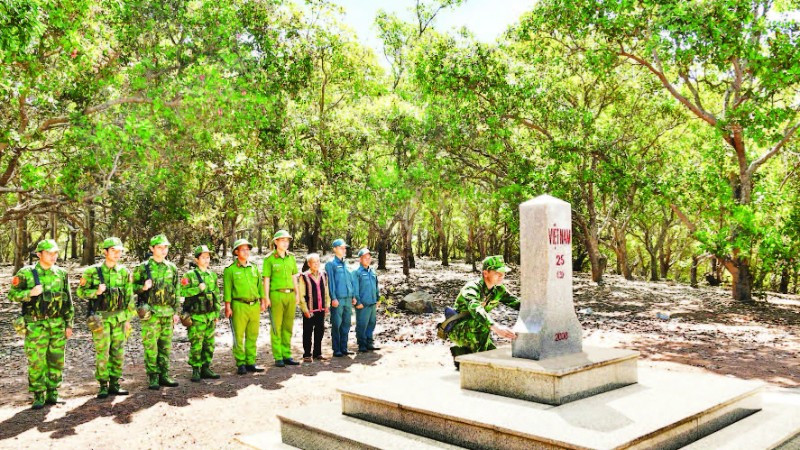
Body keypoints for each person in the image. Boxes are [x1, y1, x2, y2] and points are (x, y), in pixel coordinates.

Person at [8, 239, 74, 409]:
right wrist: (29, 293)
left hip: (57, 323)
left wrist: (69, 324)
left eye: (56, 253)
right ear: (39, 254)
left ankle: (53, 392)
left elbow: (68, 300)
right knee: (36, 361)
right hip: (36, 324)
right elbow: (11, 295)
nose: (53, 256)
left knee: (57, 360)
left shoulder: (61, 273)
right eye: (49, 253)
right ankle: (38, 394)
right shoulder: (26, 273)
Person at [76, 237, 135, 398]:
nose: (117, 254)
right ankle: (103, 384)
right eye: (114, 251)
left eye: (119, 251)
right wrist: (95, 292)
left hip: (120, 318)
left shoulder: (124, 272)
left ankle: (115, 383)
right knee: (103, 352)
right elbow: (80, 292)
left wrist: (129, 319)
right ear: (105, 252)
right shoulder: (92, 272)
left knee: (118, 351)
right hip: (100, 318)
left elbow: (129, 297)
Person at [448, 255, 520, 369]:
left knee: (494, 355)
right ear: (486, 273)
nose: (502, 276)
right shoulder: (472, 288)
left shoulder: (498, 290)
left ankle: (461, 353)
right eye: (497, 273)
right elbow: (475, 308)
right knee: (488, 359)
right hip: (458, 328)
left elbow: (518, 304)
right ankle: (477, 363)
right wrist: (495, 327)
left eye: (503, 273)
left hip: (477, 328)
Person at [133, 234, 181, 389]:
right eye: (160, 247)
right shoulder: (143, 267)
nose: (163, 250)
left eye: (165, 247)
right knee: (151, 346)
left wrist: (176, 312)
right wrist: (143, 287)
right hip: (151, 313)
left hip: (167, 313)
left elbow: (177, 290)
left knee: (165, 346)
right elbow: (131, 288)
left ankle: (164, 375)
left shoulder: (172, 268)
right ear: (151, 249)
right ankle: (153, 376)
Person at [223, 238, 267, 375]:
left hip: (254, 305)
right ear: (236, 252)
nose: (246, 252)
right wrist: (228, 306)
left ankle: (250, 361)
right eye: (243, 249)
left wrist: (263, 300)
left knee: (253, 334)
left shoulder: (254, 267)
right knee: (239, 335)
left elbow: (259, 286)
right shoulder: (230, 270)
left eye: (248, 249)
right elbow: (227, 290)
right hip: (239, 305)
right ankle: (240, 362)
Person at [180, 245, 221, 382]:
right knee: (197, 344)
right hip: (196, 315)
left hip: (209, 315)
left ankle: (206, 367)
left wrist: (216, 313)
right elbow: (182, 292)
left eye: (208, 257)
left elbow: (216, 295)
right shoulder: (189, 275)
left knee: (209, 344)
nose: (206, 260)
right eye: (203, 257)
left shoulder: (212, 275)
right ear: (197, 259)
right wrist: (197, 289)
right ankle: (196, 369)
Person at [262, 230, 300, 367]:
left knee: (288, 326)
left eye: (287, 240)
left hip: (290, 294)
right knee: (276, 326)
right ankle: (278, 356)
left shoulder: (292, 258)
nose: (285, 243)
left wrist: (297, 293)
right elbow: (266, 279)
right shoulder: (269, 259)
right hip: (276, 294)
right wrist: (266, 297)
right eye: (282, 240)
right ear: (276, 242)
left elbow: (294, 276)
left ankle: (287, 354)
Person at [294, 253, 330, 362]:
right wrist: (305, 309)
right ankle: (307, 354)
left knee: (320, 331)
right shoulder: (304, 276)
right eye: (314, 262)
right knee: (308, 332)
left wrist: (327, 305)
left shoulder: (323, 274)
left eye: (318, 261)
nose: (316, 264)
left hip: (321, 308)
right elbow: (301, 295)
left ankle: (317, 353)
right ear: (309, 264)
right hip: (309, 309)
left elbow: (326, 291)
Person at [325, 239, 355, 357]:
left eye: (345, 248)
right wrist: (333, 298)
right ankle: (336, 349)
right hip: (338, 299)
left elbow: (351, 281)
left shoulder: (346, 264)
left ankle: (344, 347)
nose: (344, 250)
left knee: (346, 324)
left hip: (348, 298)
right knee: (337, 324)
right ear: (335, 249)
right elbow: (331, 283)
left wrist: (353, 296)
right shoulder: (331, 264)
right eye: (341, 248)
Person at [352, 248, 380, 353]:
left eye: (369, 258)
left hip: (372, 302)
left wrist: (378, 298)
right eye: (365, 258)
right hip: (363, 304)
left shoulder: (372, 271)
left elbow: (376, 286)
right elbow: (355, 288)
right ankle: (362, 344)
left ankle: (369, 343)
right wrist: (358, 302)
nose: (367, 260)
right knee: (362, 324)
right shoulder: (356, 272)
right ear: (360, 259)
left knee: (371, 323)